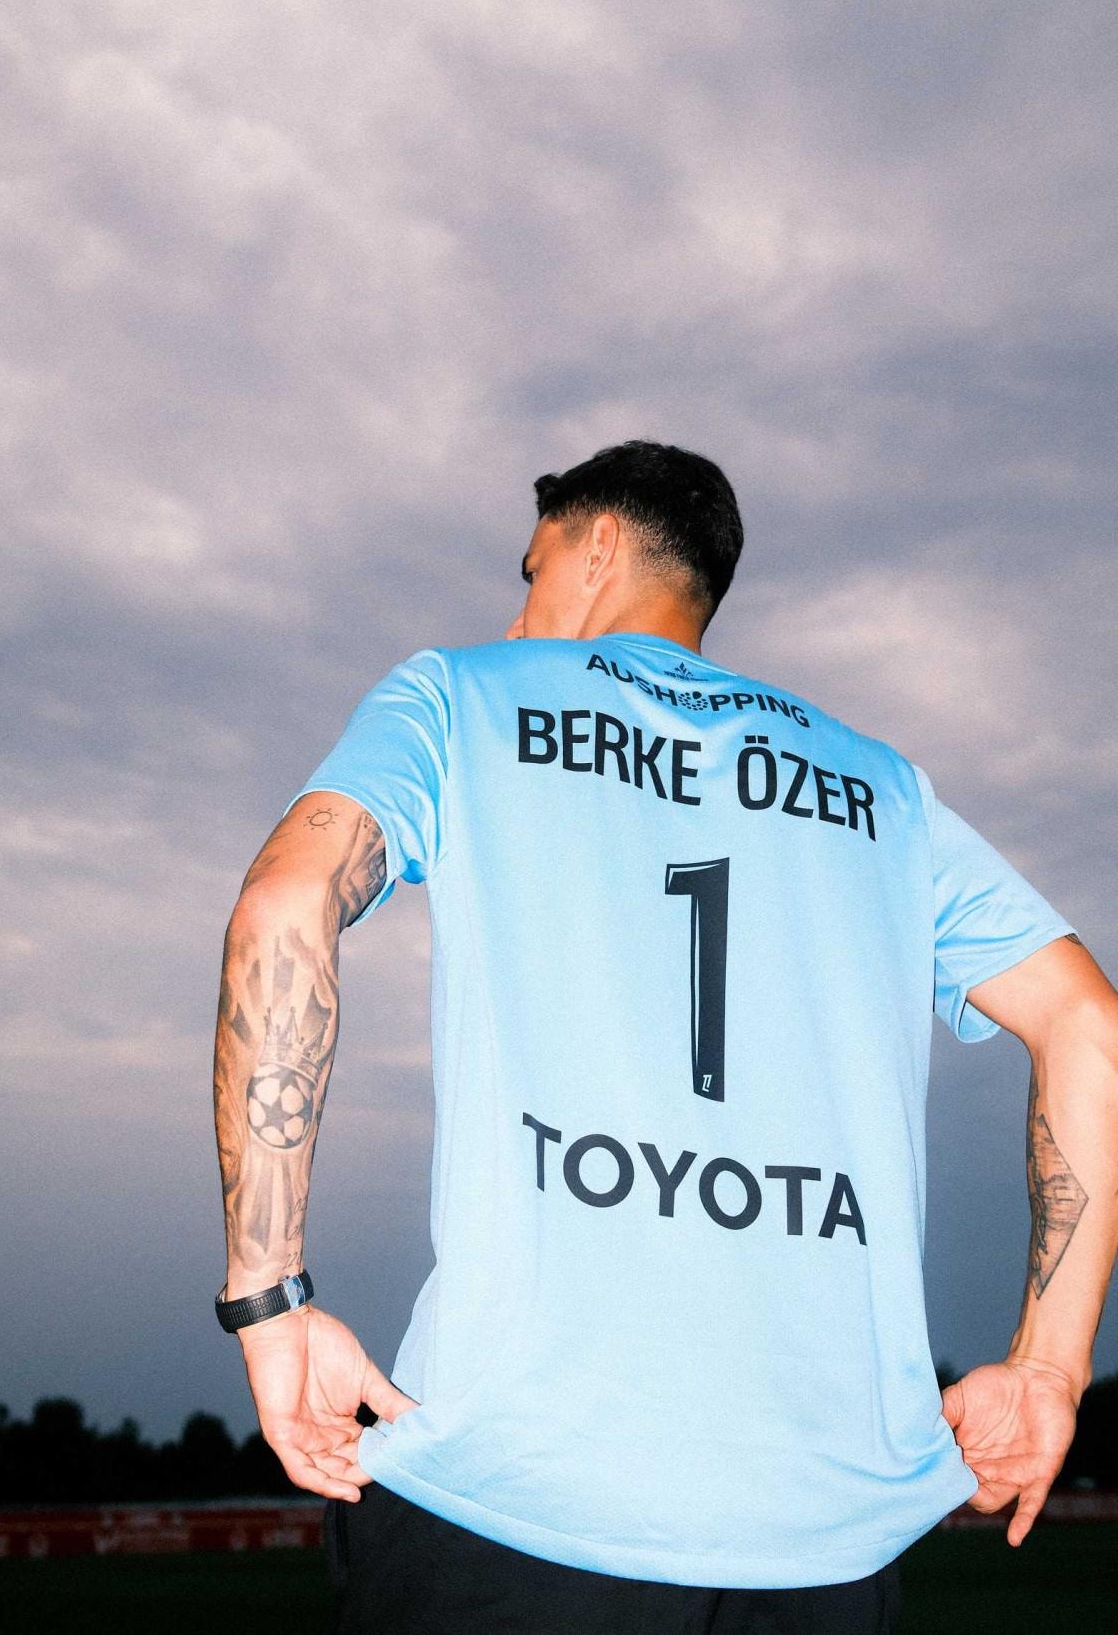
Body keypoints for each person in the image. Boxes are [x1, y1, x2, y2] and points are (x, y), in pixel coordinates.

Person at [211, 441, 1117, 1634]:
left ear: (597, 548)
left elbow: (286, 902)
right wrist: (1050, 1365)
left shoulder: (460, 696)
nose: (518, 615)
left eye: (532, 570)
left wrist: (268, 1295)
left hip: (513, 1506)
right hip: (823, 1544)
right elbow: (1089, 1022)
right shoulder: (885, 788)